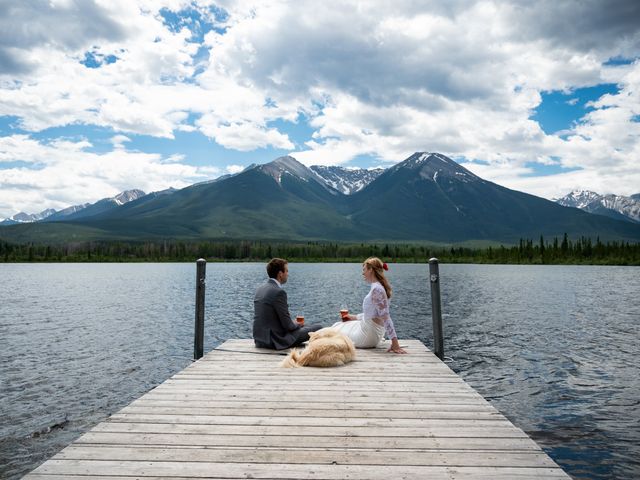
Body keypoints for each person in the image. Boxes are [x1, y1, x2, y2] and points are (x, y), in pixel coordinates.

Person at [331, 257, 407, 354]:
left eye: (364, 270)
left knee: (334, 332)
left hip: (368, 335)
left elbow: (386, 318)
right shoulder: (377, 286)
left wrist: (395, 344)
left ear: (371, 270)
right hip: (371, 330)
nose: (362, 273)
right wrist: (353, 317)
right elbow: (373, 314)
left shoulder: (377, 290)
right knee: (339, 325)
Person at [253, 258, 322, 350]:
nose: (288, 274)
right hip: (275, 341)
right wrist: (298, 324)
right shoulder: (278, 292)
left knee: (306, 326)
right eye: (286, 271)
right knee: (319, 327)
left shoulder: (260, 289)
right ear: (280, 274)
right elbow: (288, 326)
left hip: (259, 340)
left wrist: (296, 324)